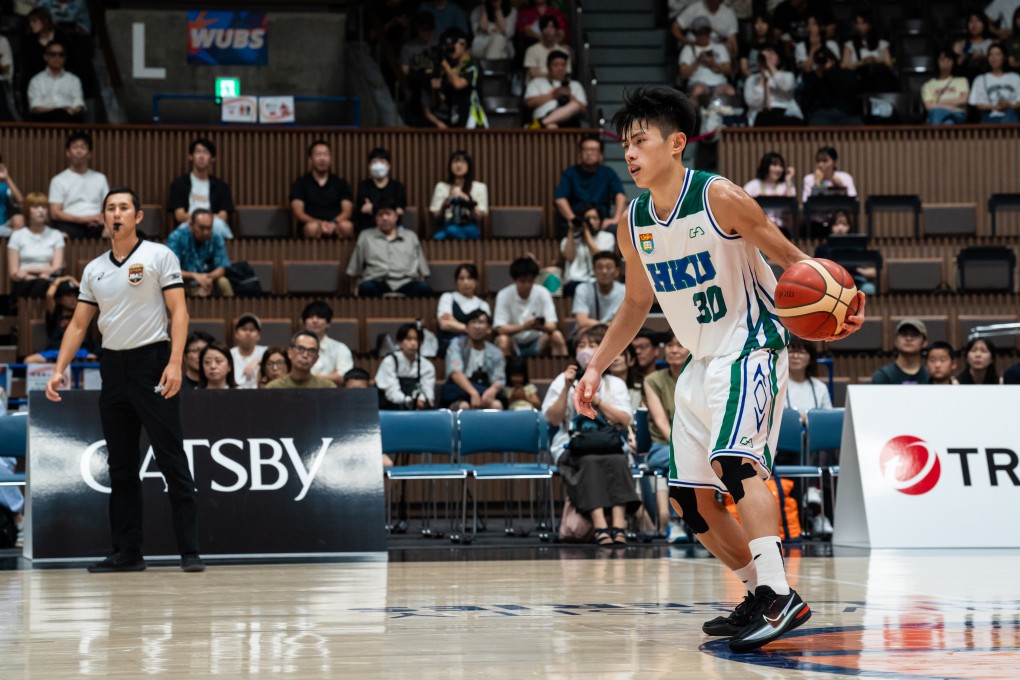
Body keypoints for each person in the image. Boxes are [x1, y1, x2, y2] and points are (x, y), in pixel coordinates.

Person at [574, 87, 864, 652]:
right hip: (701, 359)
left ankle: (780, 595)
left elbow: (793, 261)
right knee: (690, 499)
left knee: (735, 462)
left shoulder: (720, 197)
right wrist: (595, 369)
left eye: (640, 141)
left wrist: (841, 301)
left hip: (751, 345)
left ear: (676, 144)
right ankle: (758, 592)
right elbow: (635, 304)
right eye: (625, 143)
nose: (628, 153)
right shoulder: (633, 222)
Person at [44, 186, 204, 573]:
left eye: (124, 207)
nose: (117, 214)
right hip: (113, 368)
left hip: (153, 362)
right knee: (120, 465)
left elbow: (179, 313)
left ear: (138, 216)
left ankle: (190, 551)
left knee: (170, 457)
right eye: (110, 208)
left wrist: (175, 362)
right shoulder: (94, 269)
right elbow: (78, 325)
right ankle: (127, 552)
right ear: (103, 218)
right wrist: (58, 369)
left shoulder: (159, 255)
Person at [543, 324, 640, 546]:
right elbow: (553, 419)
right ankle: (600, 526)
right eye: (581, 345)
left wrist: (596, 402)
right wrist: (567, 387)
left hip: (609, 443)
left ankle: (619, 526)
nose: (586, 349)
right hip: (572, 445)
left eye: (593, 344)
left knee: (618, 460)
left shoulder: (614, 383)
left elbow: (625, 419)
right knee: (590, 461)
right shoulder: (562, 380)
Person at [643, 334, 691, 540]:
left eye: (680, 345)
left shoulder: (701, 377)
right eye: (670, 345)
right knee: (680, 461)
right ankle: (675, 521)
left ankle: (685, 521)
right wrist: (681, 447)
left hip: (696, 445)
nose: (674, 350)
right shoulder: (653, 380)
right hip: (662, 446)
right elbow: (661, 422)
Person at [348, 200, 433, 298]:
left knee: (423, 288)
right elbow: (355, 269)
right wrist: (355, 286)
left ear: (396, 216)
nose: (384, 218)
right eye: (380, 215)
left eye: (388, 214)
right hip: (377, 281)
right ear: (375, 218)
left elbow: (423, 270)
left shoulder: (411, 236)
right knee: (366, 288)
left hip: (406, 281)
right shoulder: (365, 236)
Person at [553, 134, 627, 239]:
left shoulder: (608, 173)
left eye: (593, 150)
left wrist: (616, 218)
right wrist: (573, 219)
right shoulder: (570, 173)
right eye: (585, 150)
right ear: (580, 154)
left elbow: (620, 195)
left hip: (601, 222)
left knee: (620, 231)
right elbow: (560, 199)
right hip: (576, 221)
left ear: (601, 155)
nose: (589, 153)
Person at [493, 256, 567, 357]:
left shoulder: (543, 292)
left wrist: (538, 326)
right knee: (502, 340)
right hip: (514, 342)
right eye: (523, 281)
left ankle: (562, 367)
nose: (527, 285)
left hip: (538, 340)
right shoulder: (504, 295)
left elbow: (552, 325)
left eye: (530, 281)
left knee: (557, 336)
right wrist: (524, 327)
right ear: (514, 279)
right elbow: (500, 329)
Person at [167, 138, 235, 241]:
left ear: (212, 158)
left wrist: (205, 222)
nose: (201, 156)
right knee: (178, 235)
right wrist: (199, 222)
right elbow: (180, 216)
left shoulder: (221, 186)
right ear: (191, 156)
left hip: (214, 227)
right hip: (189, 226)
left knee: (219, 226)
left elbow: (223, 216)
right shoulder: (179, 184)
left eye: (206, 152)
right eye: (198, 152)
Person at [440, 309, 506, 410]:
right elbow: (456, 373)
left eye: (481, 322)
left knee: (496, 405)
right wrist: (473, 393)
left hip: (484, 388)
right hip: (460, 389)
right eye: (473, 322)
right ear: (466, 327)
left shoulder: (495, 352)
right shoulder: (456, 345)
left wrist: (492, 391)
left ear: (489, 329)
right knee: (464, 406)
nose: (477, 326)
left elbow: (499, 378)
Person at [48, 130, 109, 238]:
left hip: (96, 223)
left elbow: (109, 206)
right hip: (69, 223)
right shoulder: (58, 180)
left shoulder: (100, 178)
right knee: (59, 236)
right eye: (75, 147)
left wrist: (101, 218)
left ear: (89, 154)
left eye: (83, 147)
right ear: (68, 152)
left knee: (113, 231)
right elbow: (54, 212)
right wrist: (82, 219)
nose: (79, 151)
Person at [423, 28, 488, 129]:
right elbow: (442, 98)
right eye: (448, 46)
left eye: (453, 44)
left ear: (463, 43)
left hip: (473, 118)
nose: (450, 49)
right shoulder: (451, 69)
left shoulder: (472, 64)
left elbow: (458, 84)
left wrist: (445, 65)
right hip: (455, 118)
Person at [24, 276, 98, 364]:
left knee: (92, 358)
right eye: (68, 295)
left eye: (75, 296)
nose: (73, 299)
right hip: (56, 351)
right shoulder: (55, 312)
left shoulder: (80, 313)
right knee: (29, 360)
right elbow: (49, 295)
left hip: (78, 351)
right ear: (59, 299)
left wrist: (75, 282)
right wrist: (59, 280)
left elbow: (93, 296)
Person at [290, 140, 354, 239]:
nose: (322, 158)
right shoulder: (300, 183)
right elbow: (299, 213)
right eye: (318, 155)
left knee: (347, 226)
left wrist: (333, 223)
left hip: (335, 224)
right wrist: (319, 223)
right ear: (310, 160)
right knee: (312, 228)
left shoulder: (341, 183)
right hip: (311, 224)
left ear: (330, 159)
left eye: (326, 155)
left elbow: (347, 211)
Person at [7, 192, 64, 301]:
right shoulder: (17, 236)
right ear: (27, 211)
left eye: (44, 207)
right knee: (37, 284)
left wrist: (29, 271)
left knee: (44, 283)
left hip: (47, 278)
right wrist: (33, 275)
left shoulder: (56, 235)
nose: (41, 210)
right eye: (36, 207)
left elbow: (57, 268)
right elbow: (13, 272)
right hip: (24, 280)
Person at [166, 209, 233, 298]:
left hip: (208, 280)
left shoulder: (216, 236)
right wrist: (194, 276)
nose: (206, 232)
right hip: (184, 281)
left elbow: (222, 267)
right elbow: (171, 271)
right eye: (202, 228)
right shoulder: (176, 237)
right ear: (191, 225)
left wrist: (208, 277)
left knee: (223, 282)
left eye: (209, 228)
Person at [812, 211, 878, 295]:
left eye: (844, 224)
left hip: (856, 281)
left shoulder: (858, 248)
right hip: (832, 283)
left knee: (869, 288)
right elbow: (816, 272)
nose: (840, 228)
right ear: (831, 227)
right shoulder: (822, 248)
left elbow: (873, 272)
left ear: (849, 227)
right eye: (836, 224)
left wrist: (858, 270)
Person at [429, 150, 488, 240]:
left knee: (449, 233)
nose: (459, 165)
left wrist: (468, 201)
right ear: (450, 165)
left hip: (469, 225)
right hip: (448, 224)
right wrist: (446, 203)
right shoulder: (442, 186)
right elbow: (436, 215)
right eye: (455, 161)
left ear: (469, 166)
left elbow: (479, 217)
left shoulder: (479, 187)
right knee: (441, 235)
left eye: (463, 162)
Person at [561, 203, 617, 297]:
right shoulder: (569, 240)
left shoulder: (607, 237)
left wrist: (586, 233)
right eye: (587, 219)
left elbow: (601, 257)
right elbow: (569, 257)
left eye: (595, 218)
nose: (591, 222)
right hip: (574, 282)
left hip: (597, 281)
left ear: (600, 221)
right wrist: (571, 230)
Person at [376, 322, 436, 409]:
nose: (413, 343)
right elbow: (391, 392)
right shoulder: (389, 362)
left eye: (416, 339)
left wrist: (422, 400)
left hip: (418, 409)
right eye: (409, 339)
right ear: (399, 342)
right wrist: (409, 401)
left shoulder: (427, 366)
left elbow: (428, 391)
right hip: (392, 408)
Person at [436, 263, 491, 352]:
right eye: (461, 278)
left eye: (469, 278)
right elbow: (444, 324)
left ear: (476, 281)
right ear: (456, 281)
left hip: (476, 345)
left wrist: (454, 322)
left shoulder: (483, 305)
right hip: (449, 344)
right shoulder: (448, 297)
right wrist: (473, 330)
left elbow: (485, 330)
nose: (466, 282)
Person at [524, 50, 587, 129]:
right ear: (548, 67)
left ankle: (540, 123)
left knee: (574, 105)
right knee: (551, 126)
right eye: (556, 65)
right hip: (543, 116)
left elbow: (583, 110)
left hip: (569, 120)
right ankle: (544, 122)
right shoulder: (537, 82)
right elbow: (529, 103)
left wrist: (570, 97)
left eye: (563, 65)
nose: (560, 68)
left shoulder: (575, 85)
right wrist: (553, 95)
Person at [678, 17, 735, 103]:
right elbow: (683, 74)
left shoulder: (720, 47)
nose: (704, 35)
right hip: (697, 83)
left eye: (706, 32)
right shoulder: (688, 49)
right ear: (695, 33)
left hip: (719, 84)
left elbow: (728, 70)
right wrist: (698, 61)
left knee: (730, 91)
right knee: (698, 90)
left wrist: (713, 63)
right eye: (700, 32)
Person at [800, 47, 862, 126]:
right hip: (821, 113)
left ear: (833, 60)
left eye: (825, 59)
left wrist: (830, 71)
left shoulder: (844, 73)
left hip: (845, 112)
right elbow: (806, 100)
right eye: (819, 60)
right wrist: (818, 76)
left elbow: (844, 91)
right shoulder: (812, 76)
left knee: (856, 124)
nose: (822, 62)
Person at [742, 46, 803, 126]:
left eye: (772, 54)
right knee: (764, 118)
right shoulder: (752, 79)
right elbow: (752, 102)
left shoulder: (788, 75)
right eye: (765, 56)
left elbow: (786, 87)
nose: (768, 57)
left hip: (785, 114)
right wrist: (762, 79)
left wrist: (770, 66)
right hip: (761, 118)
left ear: (779, 59)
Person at [27, 38, 84, 122]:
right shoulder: (36, 81)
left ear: (65, 58)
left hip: (68, 120)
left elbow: (78, 104)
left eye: (61, 54)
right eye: (53, 54)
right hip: (44, 121)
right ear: (45, 57)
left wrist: (68, 111)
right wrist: (58, 110)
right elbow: (36, 107)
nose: (57, 57)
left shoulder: (74, 80)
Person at [571, 251, 626, 335]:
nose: (604, 271)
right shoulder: (583, 289)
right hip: (589, 332)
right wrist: (606, 325)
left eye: (609, 267)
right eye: (599, 267)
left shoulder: (624, 291)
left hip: (614, 333)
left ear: (617, 271)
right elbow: (582, 321)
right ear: (594, 270)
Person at [355, 147, 407, 235]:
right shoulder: (364, 186)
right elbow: (364, 209)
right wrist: (390, 209)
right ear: (369, 166)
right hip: (369, 229)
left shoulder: (398, 186)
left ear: (389, 166)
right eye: (375, 162)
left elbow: (400, 210)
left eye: (382, 162)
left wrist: (373, 208)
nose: (378, 165)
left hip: (394, 230)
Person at [300, 301, 354, 386]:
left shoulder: (340, 348)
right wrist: (331, 376)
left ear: (328, 323)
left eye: (320, 317)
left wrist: (308, 378)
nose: (315, 321)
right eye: (310, 317)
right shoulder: (295, 348)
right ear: (304, 323)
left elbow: (344, 378)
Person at [841, 11, 896, 93]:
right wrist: (861, 63)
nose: (860, 26)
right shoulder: (849, 45)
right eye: (857, 23)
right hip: (858, 79)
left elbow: (889, 65)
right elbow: (843, 66)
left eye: (863, 23)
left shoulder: (882, 44)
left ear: (870, 25)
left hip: (879, 79)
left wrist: (875, 61)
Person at [264, 331, 337, 389]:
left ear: (316, 358)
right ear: (290, 353)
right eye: (300, 349)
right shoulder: (274, 388)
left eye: (311, 351)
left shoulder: (327, 387)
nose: (305, 355)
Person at [743, 152, 796, 231]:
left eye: (781, 166)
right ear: (766, 166)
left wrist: (788, 180)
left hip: (781, 229)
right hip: (759, 229)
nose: (778, 169)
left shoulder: (786, 185)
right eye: (774, 165)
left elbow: (792, 206)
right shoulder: (753, 185)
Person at [968, 43, 1020, 124]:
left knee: (1011, 114)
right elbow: (977, 103)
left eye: (997, 54)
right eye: (991, 55)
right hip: (989, 118)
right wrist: (994, 106)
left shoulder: (1015, 77)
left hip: (1012, 116)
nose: (994, 58)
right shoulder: (980, 79)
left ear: (1004, 57)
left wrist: (1009, 105)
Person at [672, 0, 739, 57]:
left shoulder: (729, 14)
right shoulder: (694, 8)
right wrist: (688, 42)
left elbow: (733, 44)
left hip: (716, 51)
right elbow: (675, 27)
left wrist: (728, 49)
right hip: (693, 48)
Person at [922, 47, 971, 125]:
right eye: (942, 59)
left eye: (949, 59)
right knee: (948, 122)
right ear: (937, 62)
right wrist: (948, 106)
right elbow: (928, 106)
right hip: (939, 114)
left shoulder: (961, 80)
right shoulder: (928, 85)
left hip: (957, 114)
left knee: (937, 112)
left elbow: (964, 100)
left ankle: (935, 132)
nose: (946, 62)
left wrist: (937, 103)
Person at [784, 340, 831, 420]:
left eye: (801, 352)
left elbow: (829, 418)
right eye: (791, 352)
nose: (795, 356)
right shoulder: (776, 386)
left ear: (810, 358)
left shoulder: (820, 388)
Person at [872, 319, 929, 385]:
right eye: (904, 334)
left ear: (924, 343)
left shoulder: (930, 376)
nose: (908, 338)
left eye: (915, 335)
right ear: (895, 341)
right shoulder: (883, 375)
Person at [522, 15, 571, 81]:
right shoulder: (532, 50)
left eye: (551, 27)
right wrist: (554, 75)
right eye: (545, 27)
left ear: (556, 30)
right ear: (541, 31)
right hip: (537, 85)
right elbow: (532, 73)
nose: (548, 30)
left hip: (558, 84)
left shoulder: (564, 51)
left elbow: (567, 72)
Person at [229, 313, 267, 390]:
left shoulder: (265, 352)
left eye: (252, 330)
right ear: (236, 334)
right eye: (244, 329)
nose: (248, 333)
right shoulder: (229, 354)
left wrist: (259, 361)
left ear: (259, 336)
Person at [954, 11, 994, 81]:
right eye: (971, 21)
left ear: (984, 24)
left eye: (978, 21)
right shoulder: (961, 44)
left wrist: (984, 59)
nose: (974, 25)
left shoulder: (991, 44)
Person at [738, 14, 777, 80]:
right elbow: (744, 68)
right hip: (752, 78)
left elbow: (781, 67)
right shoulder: (746, 45)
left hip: (773, 77)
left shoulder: (775, 44)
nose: (760, 26)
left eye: (763, 22)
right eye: (757, 23)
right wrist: (756, 79)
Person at [0, 153, 25, 234]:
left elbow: (21, 202)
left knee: (19, 219)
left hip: (3, 225)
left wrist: (7, 178)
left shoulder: (4, 186)